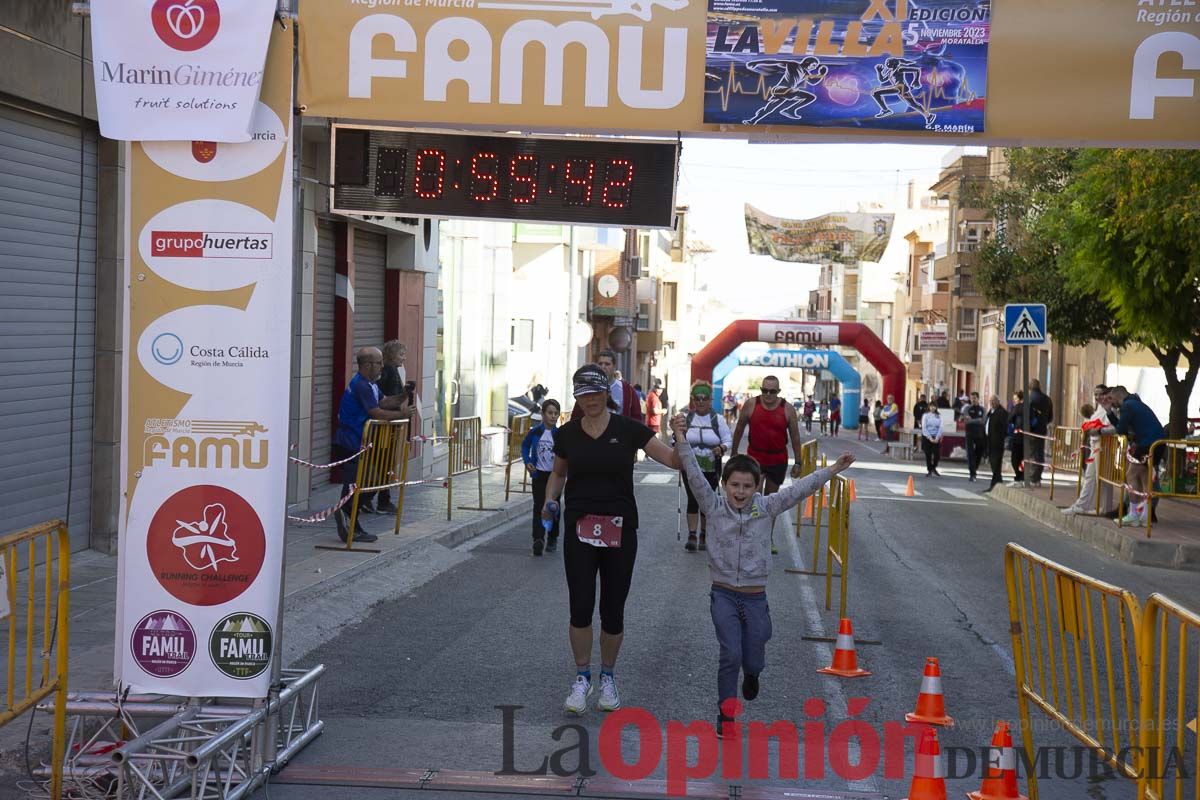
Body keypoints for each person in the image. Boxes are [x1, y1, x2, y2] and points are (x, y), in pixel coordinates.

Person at [672, 412, 854, 735]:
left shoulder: (767, 507)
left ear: (757, 487)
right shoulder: (713, 506)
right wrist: (680, 437)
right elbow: (695, 473)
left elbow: (800, 490)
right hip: (724, 593)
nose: (739, 492)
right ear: (725, 485)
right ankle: (726, 714)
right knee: (730, 653)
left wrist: (833, 470)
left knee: (752, 656)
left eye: (746, 486)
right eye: (734, 486)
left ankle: (753, 673)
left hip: (756, 597)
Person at [543, 364, 682, 714]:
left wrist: (683, 437)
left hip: (620, 529)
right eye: (582, 395)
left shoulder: (629, 430)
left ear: (606, 393)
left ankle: (607, 677)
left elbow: (671, 459)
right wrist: (550, 501)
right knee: (580, 606)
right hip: (579, 527)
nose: (589, 400)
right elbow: (558, 473)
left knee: (613, 610)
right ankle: (581, 678)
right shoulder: (568, 434)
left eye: (594, 393)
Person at [332, 347, 412, 544]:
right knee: (356, 485)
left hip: (362, 443)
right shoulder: (361, 385)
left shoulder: (371, 385)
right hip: (352, 442)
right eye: (379, 363)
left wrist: (403, 394)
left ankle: (350, 519)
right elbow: (377, 412)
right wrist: (402, 415)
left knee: (370, 481)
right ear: (367, 365)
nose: (382, 367)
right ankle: (348, 521)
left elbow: (385, 402)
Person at [731, 375, 807, 553]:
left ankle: (767, 538)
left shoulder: (787, 409)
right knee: (753, 500)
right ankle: (749, 537)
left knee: (770, 502)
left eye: (772, 391)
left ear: (778, 392)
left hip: (777, 460)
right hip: (755, 460)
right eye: (764, 390)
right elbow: (739, 428)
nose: (768, 394)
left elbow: (795, 437)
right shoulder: (751, 405)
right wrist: (734, 453)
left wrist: (798, 461)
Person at [678, 381, 733, 553]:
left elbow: (728, 440)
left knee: (706, 501)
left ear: (710, 400)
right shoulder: (686, 418)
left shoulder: (718, 420)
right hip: (690, 467)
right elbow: (676, 440)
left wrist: (721, 448)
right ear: (693, 400)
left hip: (711, 467)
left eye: (704, 398)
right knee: (693, 499)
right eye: (697, 398)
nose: (701, 401)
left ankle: (704, 533)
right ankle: (692, 535)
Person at [1109, 385, 1166, 525]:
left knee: (1132, 475)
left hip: (1147, 443)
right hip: (1157, 443)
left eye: (1111, 398)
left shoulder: (1127, 406)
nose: (1111, 402)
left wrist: (1101, 429)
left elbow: (1121, 430)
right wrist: (1109, 413)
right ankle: (1144, 516)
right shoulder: (1136, 403)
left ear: (1118, 395)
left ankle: (1133, 513)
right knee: (1144, 477)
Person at [373, 339, 416, 515]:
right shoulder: (389, 371)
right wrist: (401, 412)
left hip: (389, 424)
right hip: (386, 427)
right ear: (391, 355)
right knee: (385, 462)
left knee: (383, 462)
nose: (404, 358)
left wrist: (405, 393)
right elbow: (386, 400)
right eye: (401, 354)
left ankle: (376, 498)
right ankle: (382, 499)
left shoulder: (389, 371)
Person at [1063, 395, 1115, 516]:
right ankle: (1084, 505)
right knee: (1091, 477)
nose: (1098, 397)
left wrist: (1098, 430)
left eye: (1100, 394)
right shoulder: (1099, 409)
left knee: (1101, 478)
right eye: (1096, 394)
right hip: (1095, 446)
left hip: (1102, 446)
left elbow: (1110, 426)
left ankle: (1102, 507)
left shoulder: (1107, 410)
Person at [521, 399, 562, 556]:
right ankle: (538, 539)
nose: (553, 416)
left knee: (553, 507)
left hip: (555, 476)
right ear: (543, 414)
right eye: (550, 413)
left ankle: (552, 537)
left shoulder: (559, 435)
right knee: (539, 506)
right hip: (539, 475)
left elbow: (564, 454)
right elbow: (525, 446)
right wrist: (528, 462)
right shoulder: (535, 432)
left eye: (555, 413)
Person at [570, 349, 644, 423]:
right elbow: (576, 415)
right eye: (600, 364)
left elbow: (636, 418)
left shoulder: (627, 390)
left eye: (607, 364)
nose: (603, 367)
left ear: (614, 366)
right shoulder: (588, 388)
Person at [1027, 379, 1054, 487]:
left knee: (1032, 453)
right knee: (1039, 452)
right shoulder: (1047, 399)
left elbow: (1027, 415)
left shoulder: (1030, 399)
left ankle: (1033, 477)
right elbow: (1050, 417)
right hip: (1042, 429)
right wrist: (1043, 422)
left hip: (1031, 430)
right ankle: (1037, 477)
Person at [982, 395, 1009, 492]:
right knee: (993, 463)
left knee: (996, 462)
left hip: (997, 442)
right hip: (989, 441)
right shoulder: (991, 411)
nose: (992, 403)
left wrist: (1001, 437)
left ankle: (995, 483)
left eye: (994, 401)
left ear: (998, 401)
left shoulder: (1002, 412)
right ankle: (998, 482)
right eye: (990, 401)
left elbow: (1005, 427)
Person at [962, 391, 987, 482]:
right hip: (969, 433)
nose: (973, 400)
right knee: (970, 453)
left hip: (980, 433)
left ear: (978, 399)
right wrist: (977, 420)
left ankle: (975, 469)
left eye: (974, 398)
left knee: (979, 453)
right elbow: (966, 421)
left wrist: (972, 420)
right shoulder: (967, 408)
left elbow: (983, 421)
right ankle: (972, 473)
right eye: (971, 398)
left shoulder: (982, 409)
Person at [920, 403, 943, 476]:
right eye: (931, 406)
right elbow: (924, 427)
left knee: (937, 454)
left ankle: (934, 467)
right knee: (928, 454)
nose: (933, 408)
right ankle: (929, 469)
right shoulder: (925, 415)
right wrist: (929, 437)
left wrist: (937, 437)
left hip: (936, 436)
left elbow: (941, 427)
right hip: (927, 437)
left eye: (934, 406)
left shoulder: (939, 416)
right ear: (929, 407)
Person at [1009, 391, 1025, 483]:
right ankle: (1021, 475)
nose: (1014, 401)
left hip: (1018, 436)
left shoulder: (1017, 407)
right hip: (1027, 437)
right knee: (1023, 458)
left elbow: (1009, 418)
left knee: (1015, 458)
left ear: (1020, 399)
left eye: (1015, 399)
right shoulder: (1029, 407)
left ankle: (1019, 475)